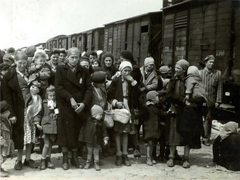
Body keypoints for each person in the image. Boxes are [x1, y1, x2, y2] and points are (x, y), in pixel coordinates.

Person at [55, 47, 92, 170]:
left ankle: (75, 158)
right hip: (66, 105)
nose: (74, 60)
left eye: (77, 57)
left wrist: (84, 104)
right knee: (65, 132)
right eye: (72, 57)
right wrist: (70, 98)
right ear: (67, 58)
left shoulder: (84, 71)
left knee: (77, 131)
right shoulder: (60, 69)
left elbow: (89, 89)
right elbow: (59, 88)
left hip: (79, 107)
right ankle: (65, 158)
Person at [2, 51, 38, 170]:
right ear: (15, 62)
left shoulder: (30, 74)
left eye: (24, 62)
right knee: (20, 135)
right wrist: (12, 113)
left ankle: (28, 158)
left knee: (30, 135)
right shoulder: (9, 77)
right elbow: (7, 97)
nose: (22, 65)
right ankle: (18, 160)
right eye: (20, 62)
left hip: (31, 108)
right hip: (19, 109)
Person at [107, 61, 138, 166]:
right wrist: (116, 102)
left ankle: (125, 154)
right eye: (125, 70)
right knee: (118, 131)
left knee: (125, 131)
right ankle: (118, 153)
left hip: (128, 106)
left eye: (129, 70)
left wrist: (133, 82)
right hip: (119, 107)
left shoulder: (131, 81)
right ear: (121, 70)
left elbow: (136, 94)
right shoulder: (116, 80)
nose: (127, 72)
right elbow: (109, 95)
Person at [165, 59, 190, 168]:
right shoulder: (173, 80)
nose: (176, 69)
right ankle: (171, 157)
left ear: (184, 70)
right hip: (175, 109)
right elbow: (169, 94)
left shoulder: (189, 80)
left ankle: (186, 158)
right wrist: (182, 100)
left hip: (186, 111)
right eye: (176, 67)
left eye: (178, 68)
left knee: (186, 135)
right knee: (173, 135)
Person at [119, 50, 142, 158]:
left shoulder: (135, 70)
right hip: (122, 101)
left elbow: (136, 89)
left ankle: (136, 147)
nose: (127, 71)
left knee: (133, 124)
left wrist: (131, 80)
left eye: (123, 59)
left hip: (131, 101)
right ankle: (125, 147)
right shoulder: (119, 77)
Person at [200, 55, 222, 146]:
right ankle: (198, 137)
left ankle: (206, 138)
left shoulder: (217, 73)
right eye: (210, 62)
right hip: (200, 101)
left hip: (211, 101)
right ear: (205, 63)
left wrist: (218, 100)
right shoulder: (199, 73)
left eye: (213, 62)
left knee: (208, 120)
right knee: (199, 119)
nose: (212, 64)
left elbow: (219, 88)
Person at [79, 105, 109, 171]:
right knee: (89, 152)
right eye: (100, 115)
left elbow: (104, 131)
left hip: (97, 140)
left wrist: (105, 138)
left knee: (96, 152)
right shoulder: (88, 120)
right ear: (94, 115)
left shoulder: (101, 123)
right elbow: (82, 116)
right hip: (89, 140)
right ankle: (88, 162)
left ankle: (96, 163)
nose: (101, 116)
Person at [142, 91, 167, 166]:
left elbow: (160, 114)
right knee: (149, 143)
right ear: (152, 99)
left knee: (153, 143)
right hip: (149, 128)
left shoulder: (156, 107)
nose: (158, 98)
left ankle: (152, 157)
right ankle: (148, 158)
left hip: (154, 128)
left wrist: (167, 112)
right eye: (157, 97)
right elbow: (142, 113)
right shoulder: (147, 107)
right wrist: (145, 105)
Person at [38, 85, 58, 170]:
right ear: (47, 95)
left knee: (50, 145)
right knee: (46, 144)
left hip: (53, 126)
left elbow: (57, 112)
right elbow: (39, 113)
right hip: (46, 125)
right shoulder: (44, 103)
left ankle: (49, 160)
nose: (52, 97)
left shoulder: (56, 103)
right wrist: (37, 122)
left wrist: (56, 115)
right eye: (50, 95)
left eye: (53, 95)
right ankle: (43, 160)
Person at [0, 101, 14, 177]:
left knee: (4, 155)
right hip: (1, 142)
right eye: (7, 111)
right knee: (0, 156)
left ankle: (0, 168)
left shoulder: (6, 120)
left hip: (6, 141)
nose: (9, 112)